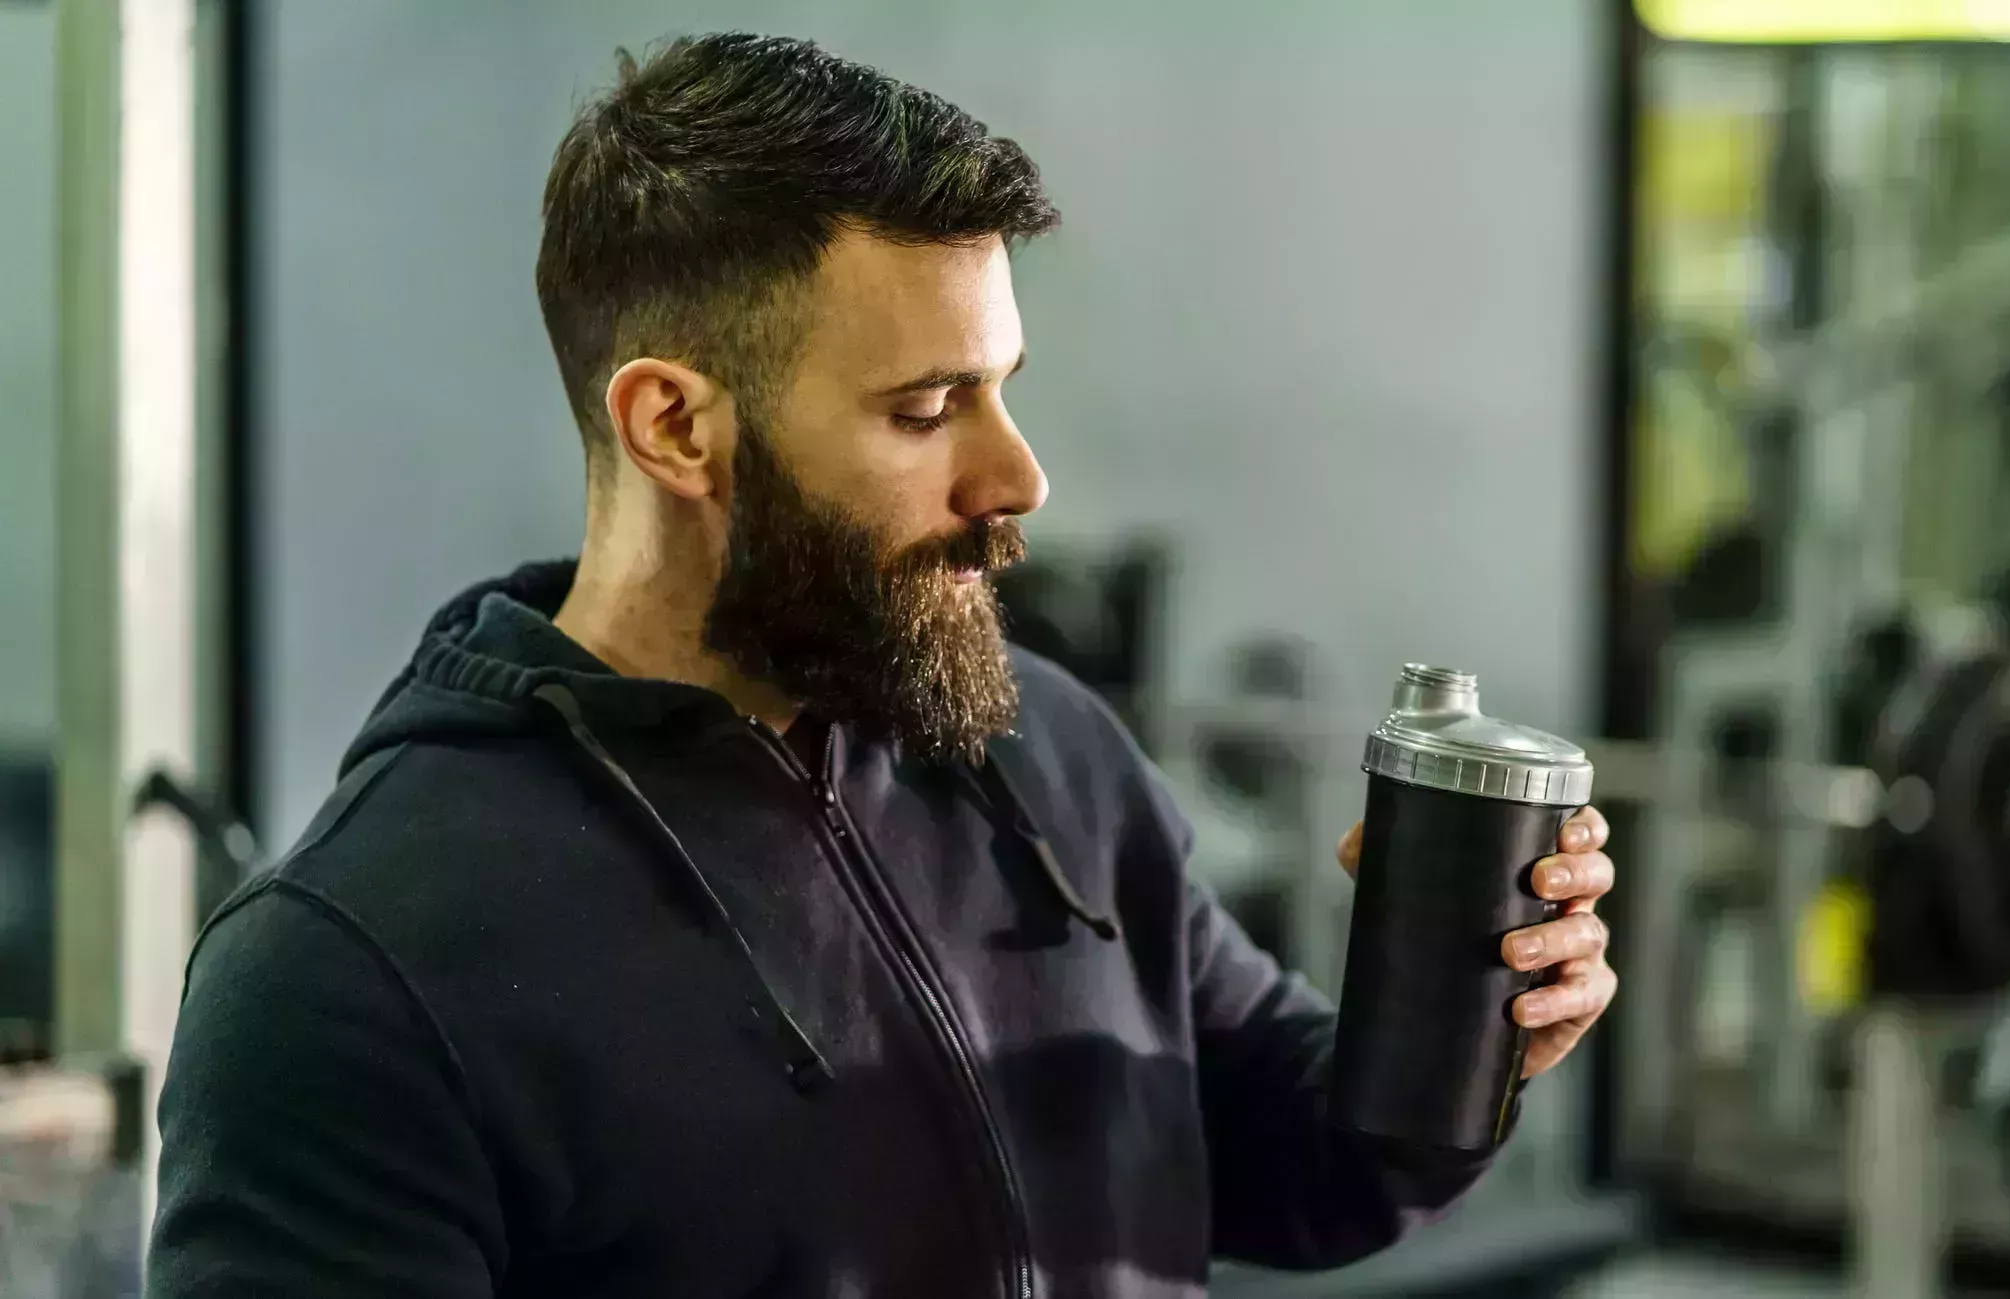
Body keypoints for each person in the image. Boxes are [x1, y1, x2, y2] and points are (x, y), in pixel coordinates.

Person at [146, 34, 1617, 1299]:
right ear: (674, 425)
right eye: (928, 409)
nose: (1019, 475)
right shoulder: (354, 973)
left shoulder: (1054, 757)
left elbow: (1300, 1156)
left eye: (1003, 390)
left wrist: (1478, 1017)